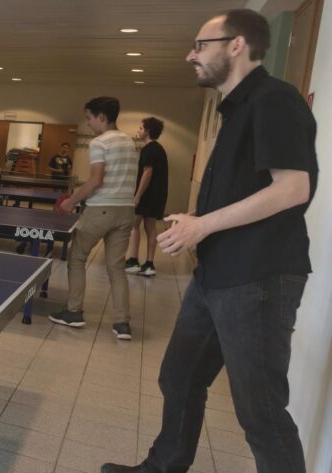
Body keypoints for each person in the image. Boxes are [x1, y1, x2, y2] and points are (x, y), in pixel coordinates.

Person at [103, 9, 317, 473]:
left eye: (200, 45)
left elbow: (293, 188)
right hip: (216, 274)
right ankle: (163, 467)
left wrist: (203, 226)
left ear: (236, 45)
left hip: (258, 278)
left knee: (261, 413)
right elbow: (246, 191)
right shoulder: (235, 109)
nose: (190, 55)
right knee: (179, 377)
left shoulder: (274, 100)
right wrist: (198, 221)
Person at [49, 97, 137, 340]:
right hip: (126, 210)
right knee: (116, 267)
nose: (88, 124)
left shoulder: (99, 142)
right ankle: (122, 324)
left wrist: (71, 201)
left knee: (77, 257)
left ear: (101, 117)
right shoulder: (129, 141)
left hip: (101, 210)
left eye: (89, 118)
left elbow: (96, 180)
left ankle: (74, 311)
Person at [124, 117, 169, 277]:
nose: (139, 130)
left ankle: (133, 260)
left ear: (148, 131)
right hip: (158, 195)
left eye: (141, 128)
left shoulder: (149, 149)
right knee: (150, 227)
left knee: (134, 224)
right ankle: (149, 264)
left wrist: (137, 196)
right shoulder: (159, 149)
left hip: (147, 194)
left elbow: (147, 173)